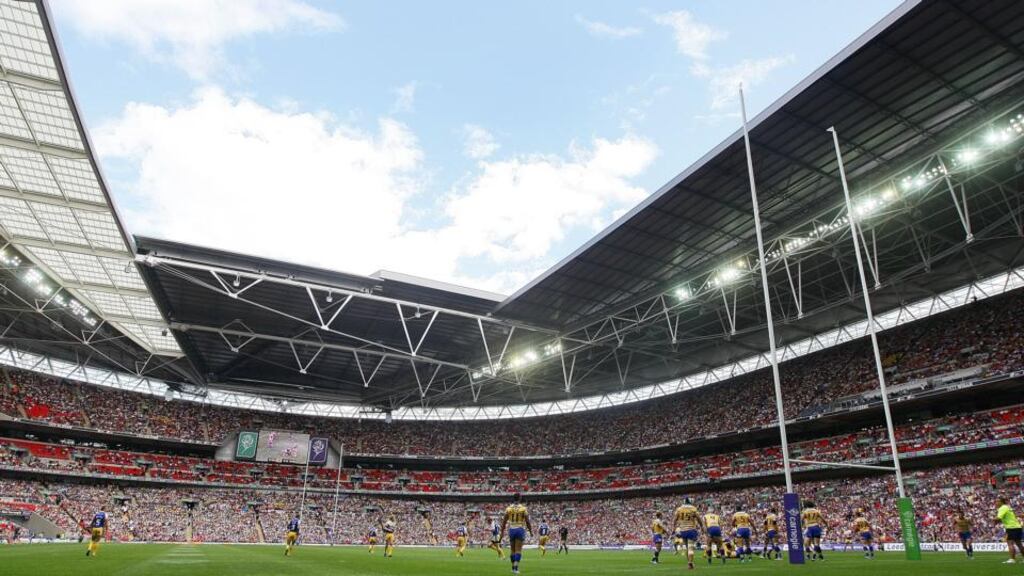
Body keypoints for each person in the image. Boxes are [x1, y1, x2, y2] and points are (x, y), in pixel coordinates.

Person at [500, 492, 532, 575]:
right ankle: (516, 568)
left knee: (512, 550)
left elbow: (504, 521)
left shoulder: (508, 508)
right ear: (520, 498)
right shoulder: (523, 508)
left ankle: (512, 568)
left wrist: (502, 531)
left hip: (511, 529)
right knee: (518, 550)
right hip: (520, 529)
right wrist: (530, 531)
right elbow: (527, 521)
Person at [672, 497, 703, 571]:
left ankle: (689, 563)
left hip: (683, 531)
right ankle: (690, 563)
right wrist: (702, 526)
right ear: (690, 502)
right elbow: (699, 519)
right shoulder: (693, 508)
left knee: (686, 547)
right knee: (690, 547)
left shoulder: (679, 509)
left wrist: (674, 527)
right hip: (691, 529)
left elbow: (675, 519)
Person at [995, 497, 1024, 564]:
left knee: (1010, 543)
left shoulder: (1002, 508)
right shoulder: (1007, 507)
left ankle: (1012, 559)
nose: (996, 503)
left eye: (997, 501)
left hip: (1011, 528)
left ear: (1001, 502)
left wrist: (993, 519)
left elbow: (998, 518)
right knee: (1019, 544)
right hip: (1017, 527)